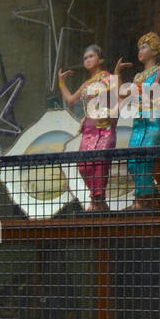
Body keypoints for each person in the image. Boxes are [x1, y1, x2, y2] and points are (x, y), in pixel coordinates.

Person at [116, 32, 160, 207]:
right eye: (139, 47)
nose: (140, 51)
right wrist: (117, 72)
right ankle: (153, 198)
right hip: (139, 122)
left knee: (145, 159)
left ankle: (141, 200)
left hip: (153, 121)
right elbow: (121, 93)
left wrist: (156, 101)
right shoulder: (137, 77)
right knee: (133, 162)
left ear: (154, 50)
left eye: (144, 46)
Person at [58, 45, 118, 211]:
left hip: (103, 125)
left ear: (101, 59)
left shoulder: (108, 77)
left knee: (99, 161)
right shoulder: (87, 83)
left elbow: (118, 98)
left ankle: (97, 201)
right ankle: (98, 200)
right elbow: (71, 100)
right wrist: (61, 82)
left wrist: (113, 115)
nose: (87, 60)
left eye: (91, 56)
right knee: (84, 165)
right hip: (88, 127)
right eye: (85, 58)